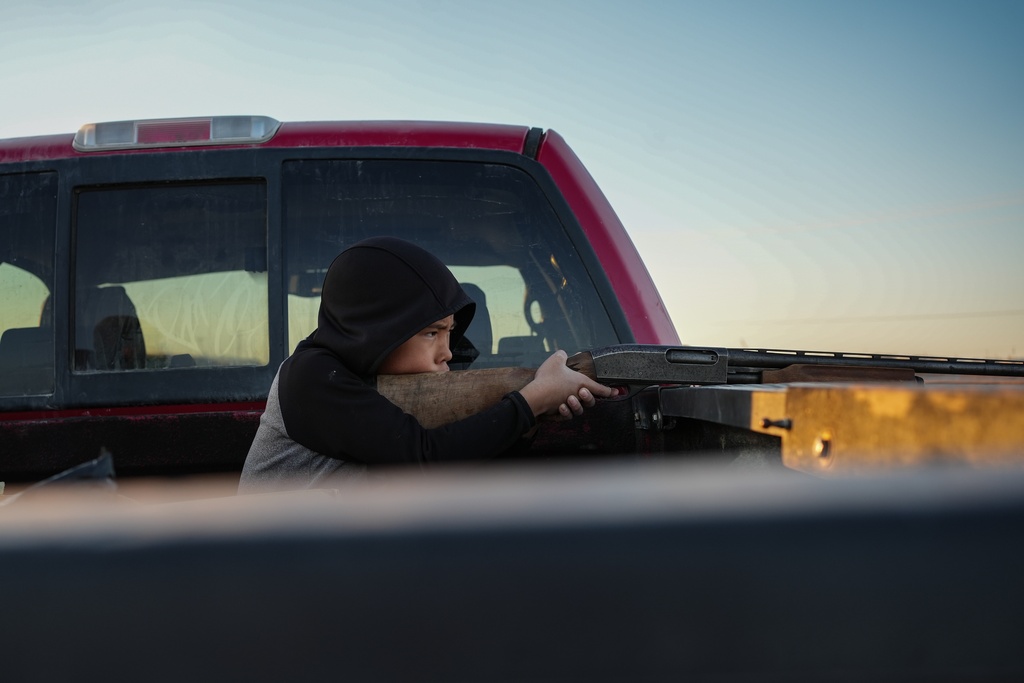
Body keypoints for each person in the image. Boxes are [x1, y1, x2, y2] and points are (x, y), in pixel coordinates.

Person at [238, 236, 614, 493]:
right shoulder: (311, 376)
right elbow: (425, 460)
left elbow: (464, 468)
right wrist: (530, 402)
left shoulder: (361, 376)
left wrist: (534, 416)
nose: (448, 353)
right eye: (431, 333)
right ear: (380, 328)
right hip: (268, 568)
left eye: (449, 333)